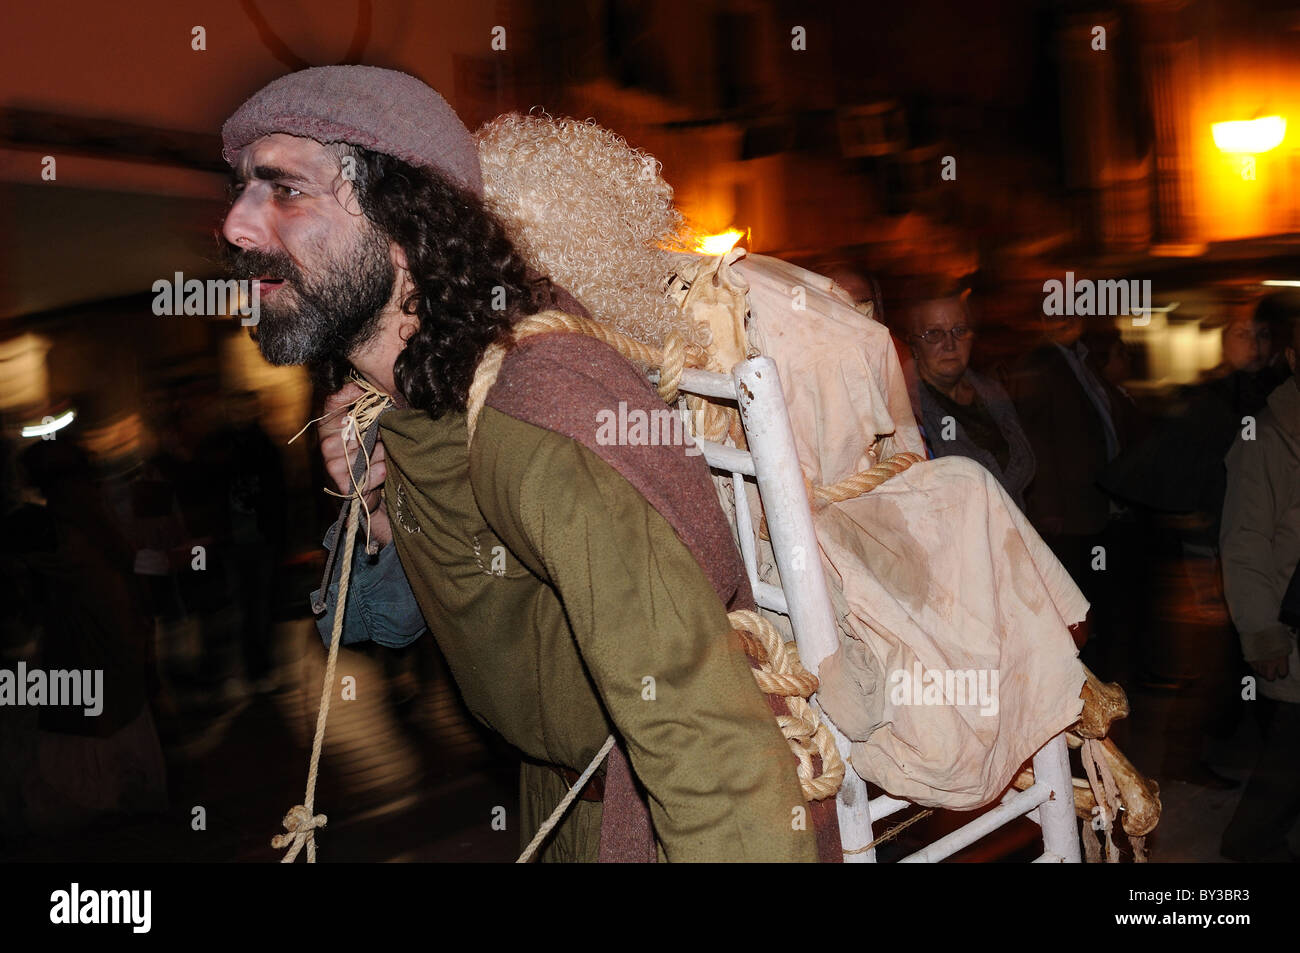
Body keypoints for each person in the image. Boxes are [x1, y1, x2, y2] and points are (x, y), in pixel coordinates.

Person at [219, 66, 819, 862]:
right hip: (557, 797)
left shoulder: (540, 408)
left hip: (642, 821)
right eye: (240, 190)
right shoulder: (406, 399)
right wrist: (378, 516)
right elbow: (388, 621)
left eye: (283, 189)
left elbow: (706, 737)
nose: (236, 225)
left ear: (401, 222)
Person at [1218, 306, 1300, 862]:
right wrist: (1263, 635)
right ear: (1294, 360)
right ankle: (1247, 855)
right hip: (1294, 634)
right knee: (1288, 765)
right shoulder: (1266, 438)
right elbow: (1244, 543)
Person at [903, 291, 1035, 510]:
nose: (950, 344)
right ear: (914, 346)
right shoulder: (907, 410)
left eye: (959, 330)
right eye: (934, 333)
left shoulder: (993, 392)